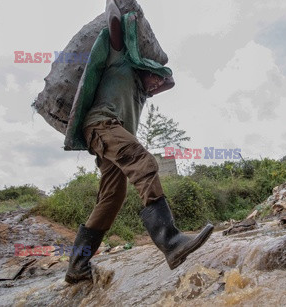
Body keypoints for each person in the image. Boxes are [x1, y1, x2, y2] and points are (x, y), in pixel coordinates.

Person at [64, 0, 213, 284]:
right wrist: (118, 7)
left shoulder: (141, 93)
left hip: (109, 138)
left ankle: (77, 265)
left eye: (158, 82)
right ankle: (170, 241)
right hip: (100, 125)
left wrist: (159, 74)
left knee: (112, 199)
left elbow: (170, 82)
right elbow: (115, 21)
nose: (157, 84)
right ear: (141, 66)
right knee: (143, 162)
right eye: (154, 78)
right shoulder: (120, 62)